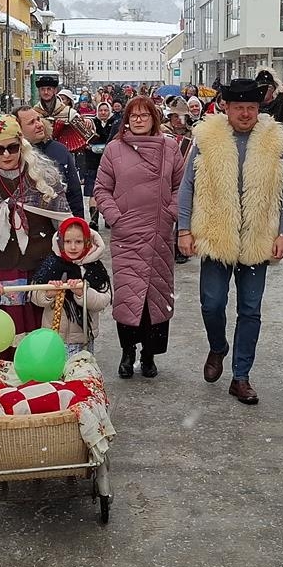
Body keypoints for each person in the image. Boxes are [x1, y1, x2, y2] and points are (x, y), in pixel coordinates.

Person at [177, 77, 283, 405]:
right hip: (216, 234)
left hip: (257, 237)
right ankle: (218, 347)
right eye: (239, 107)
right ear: (226, 107)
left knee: (250, 309)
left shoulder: (274, 140)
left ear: (260, 109)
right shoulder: (208, 138)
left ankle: (241, 377)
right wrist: (184, 230)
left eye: (252, 108)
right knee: (211, 303)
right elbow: (188, 186)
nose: (245, 113)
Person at [0, 115, 72, 371]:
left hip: (40, 269)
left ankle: (39, 383)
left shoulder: (42, 175)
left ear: (22, 144)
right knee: (0, 341)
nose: (6, 154)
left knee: (38, 340)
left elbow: (63, 224)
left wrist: (71, 261)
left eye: (13, 147)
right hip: (0, 272)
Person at [94, 95, 184, 378]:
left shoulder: (170, 148)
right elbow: (101, 189)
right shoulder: (114, 149)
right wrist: (115, 217)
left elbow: (181, 187)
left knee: (155, 296)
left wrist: (170, 212)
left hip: (158, 233)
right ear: (127, 120)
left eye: (145, 115)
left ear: (154, 118)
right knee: (128, 296)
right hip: (127, 235)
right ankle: (127, 352)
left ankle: (149, 353)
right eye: (134, 116)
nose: (139, 120)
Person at [30, 217, 112, 356]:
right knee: (55, 374)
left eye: (78, 242)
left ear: (87, 242)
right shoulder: (52, 264)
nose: (73, 247)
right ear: (61, 243)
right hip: (53, 336)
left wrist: (82, 293)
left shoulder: (94, 267)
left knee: (79, 372)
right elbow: (34, 295)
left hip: (82, 338)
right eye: (68, 242)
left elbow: (103, 300)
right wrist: (48, 294)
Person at [15, 104, 86, 217]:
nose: (38, 125)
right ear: (18, 130)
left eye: (38, 119)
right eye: (31, 123)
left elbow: (74, 192)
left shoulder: (59, 150)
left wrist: (78, 222)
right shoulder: (13, 155)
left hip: (60, 218)